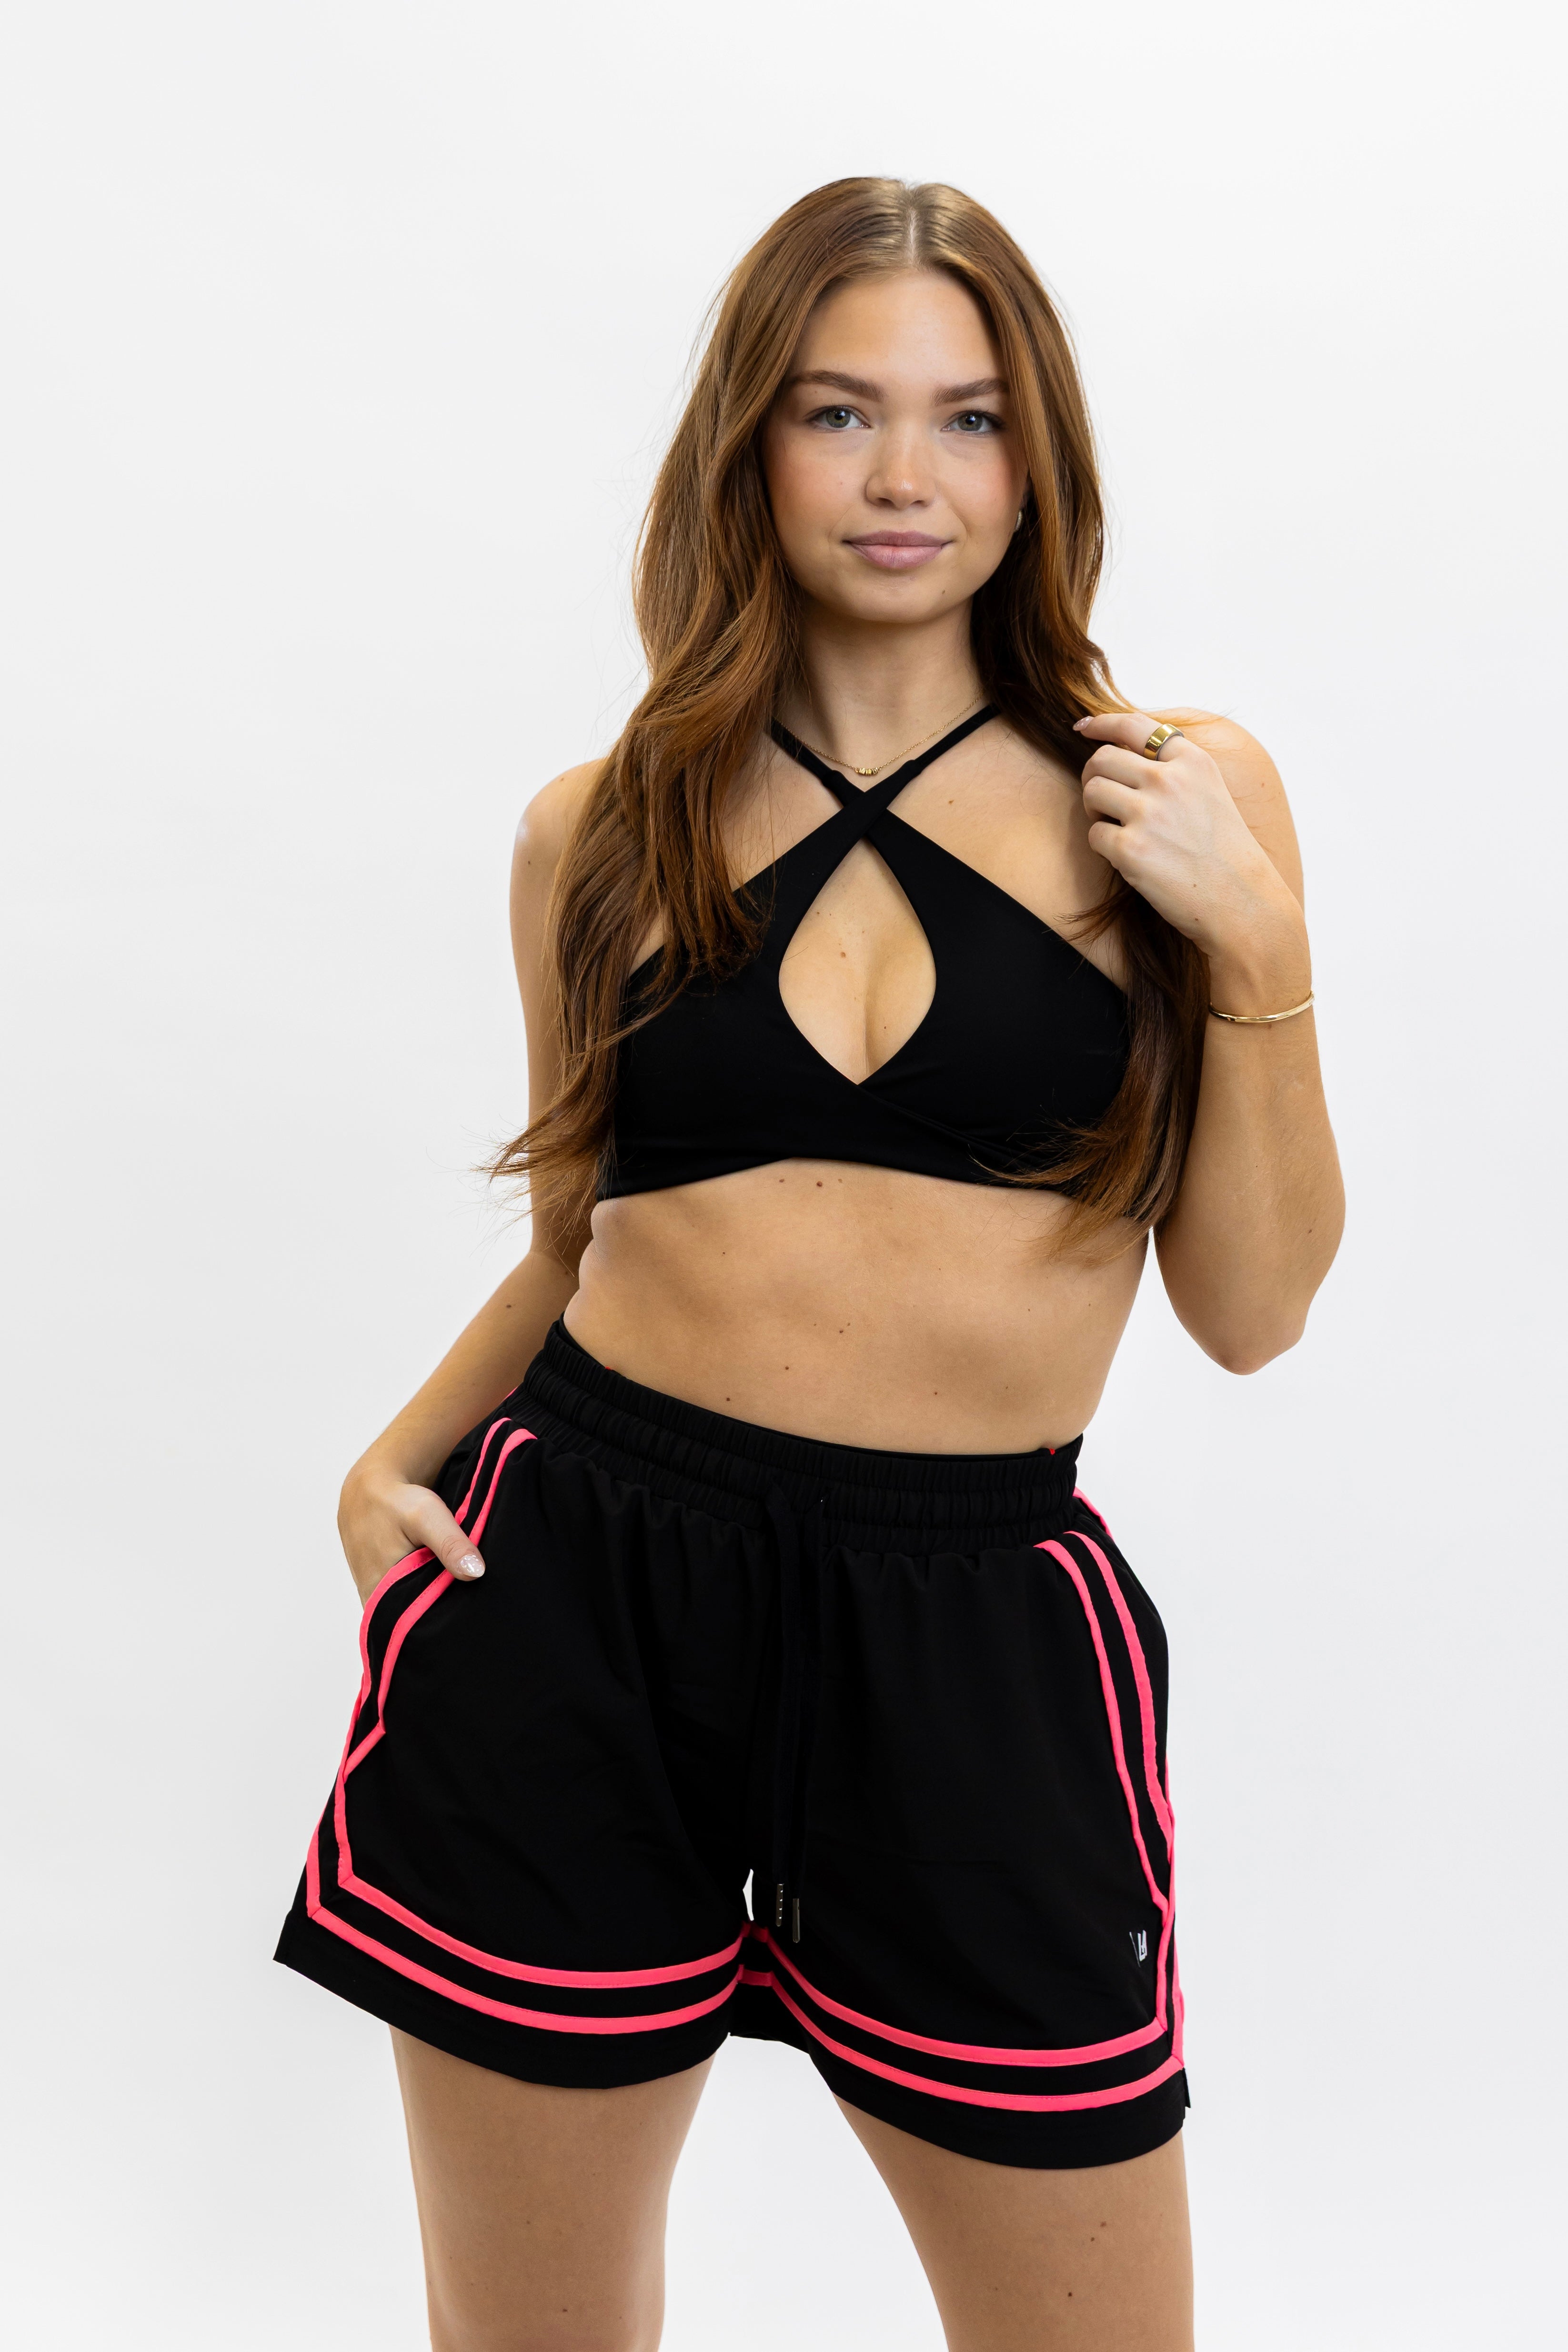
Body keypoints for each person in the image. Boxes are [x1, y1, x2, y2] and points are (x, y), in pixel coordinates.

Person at [276, 177, 1343, 2352]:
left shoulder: (1175, 793)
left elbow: (1248, 1311)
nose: (899, 476)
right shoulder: (598, 828)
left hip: (971, 1623)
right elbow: (588, 1235)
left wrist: (1253, 942)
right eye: (837, 412)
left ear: (1034, 459)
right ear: (748, 445)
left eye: (966, 417)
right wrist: (392, 1452)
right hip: (580, 1586)